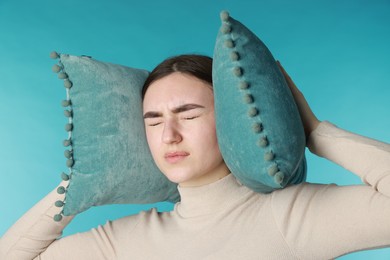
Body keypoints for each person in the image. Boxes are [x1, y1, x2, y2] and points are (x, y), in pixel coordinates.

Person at [1, 54, 389, 259]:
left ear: (231, 120)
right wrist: (81, 181)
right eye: (152, 122)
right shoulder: (128, 239)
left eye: (188, 114)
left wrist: (316, 132)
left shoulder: (292, 217)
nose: (169, 135)